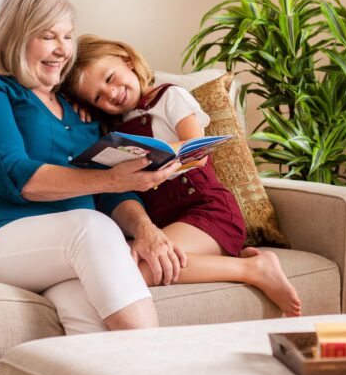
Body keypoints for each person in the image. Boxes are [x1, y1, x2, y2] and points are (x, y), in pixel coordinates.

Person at [0, 0, 184, 335]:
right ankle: (157, 371)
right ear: (14, 35)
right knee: (92, 228)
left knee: (93, 321)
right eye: (48, 36)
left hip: (50, 252)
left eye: (68, 36)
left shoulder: (78, 112)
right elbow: (16, 175)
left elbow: (110, 194)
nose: (62, 49)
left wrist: (145, 230)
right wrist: (111, 178)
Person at [61, 34, 302, 318]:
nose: (111, 93)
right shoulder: (112, 127)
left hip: (208, 210)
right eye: (98, 96)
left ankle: (253, 268)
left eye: (111, 78)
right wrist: (76, 109)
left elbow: (196, 150)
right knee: (112, 263)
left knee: (135, 268)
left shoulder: (170, 97)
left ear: (127, 61)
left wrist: (151, 155)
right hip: (166, 221)